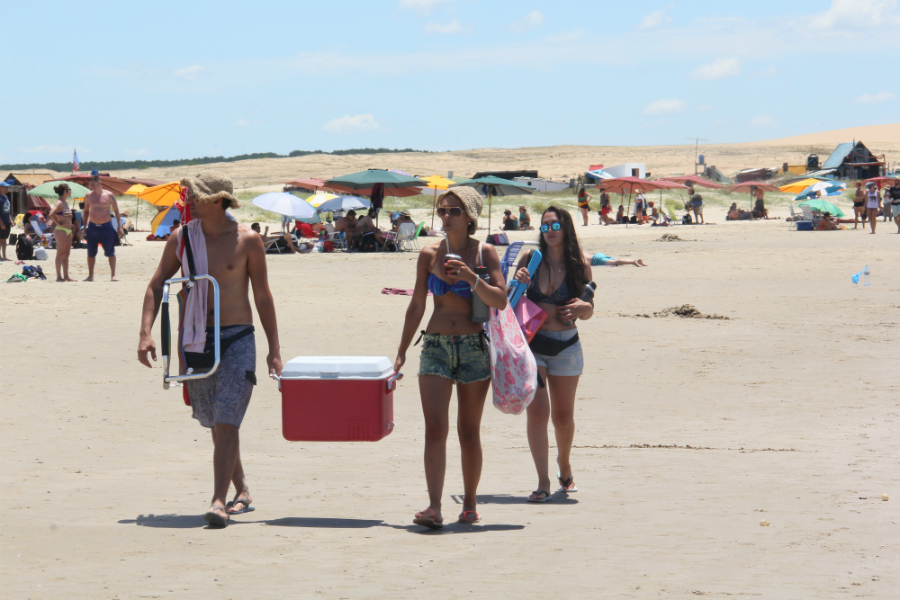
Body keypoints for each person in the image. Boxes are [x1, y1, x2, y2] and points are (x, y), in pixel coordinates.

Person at [137, 171, 283, 528]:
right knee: (218, 425)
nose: (188, 199)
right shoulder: (182, 239)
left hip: (237, 338)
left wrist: (273, 348)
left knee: (226, 420)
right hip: (196, 339)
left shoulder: (248, 241)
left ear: (218, 200)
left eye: (196, 195)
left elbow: (262, 296)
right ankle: (243, 490)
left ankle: (218, 501)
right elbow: (156, 285)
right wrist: (145, 333)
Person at [393, 186, 507, 528]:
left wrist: (472, 277)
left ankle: (470, 504)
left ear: (469, 217)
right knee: (434, 429)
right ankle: (434, 506)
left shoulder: (485, 253)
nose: (446, 216)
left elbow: (500, 300)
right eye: (442, 210)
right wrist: (400, 351)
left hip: (473, 346)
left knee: (469, 431)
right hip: (436, 346)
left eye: (454, 211)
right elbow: (417, 304)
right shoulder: (428, 254)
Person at [513, 206, 593, 502]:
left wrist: (585, 309)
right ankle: (543, 481)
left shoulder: (580, 266)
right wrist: (518, 282)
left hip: (567, 345)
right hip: (533, 345)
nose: (549, 231)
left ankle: (564, 463)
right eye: (545, 227)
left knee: (563, 417)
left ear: (566, 228)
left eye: (555, 225)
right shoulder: (530, 260)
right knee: (538, 413)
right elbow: (509, 301)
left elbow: (588, 309)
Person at [83, 176, 124, 281]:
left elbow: (116, 210)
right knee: (91, 252)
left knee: (110, 251)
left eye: (93, 184)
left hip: (106, 226)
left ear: (99, 183)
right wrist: (85, 227)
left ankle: (113, 275)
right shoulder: (88, 196)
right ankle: (91, 275)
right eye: (90, 185)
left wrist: (119, 226)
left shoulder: (109, 195)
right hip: (92, 226)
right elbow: (86, 211)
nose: (92, 186)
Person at [48, 183, 76, 281]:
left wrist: (71, 225)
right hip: (61, 230)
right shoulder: (59, 202)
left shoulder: (66, 202)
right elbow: (51, 213)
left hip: (68, 230)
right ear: (65, 191)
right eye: (70, 189)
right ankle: (59, 277)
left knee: (66, 253)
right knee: (60, 253)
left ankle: (66, 276)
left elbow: (67, 217)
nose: (71, 191)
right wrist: (58, 224)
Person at [0, 182, 10, 261]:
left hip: (7, 221)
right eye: (5, 187)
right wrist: (1, 222)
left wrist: (11, 220)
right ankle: (4, 256)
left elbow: (7, 209)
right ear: (1, 188)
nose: (7, 188)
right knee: (2, 239)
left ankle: (2, 256)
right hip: (2, 221)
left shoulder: (6, 197)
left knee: (4, 238)